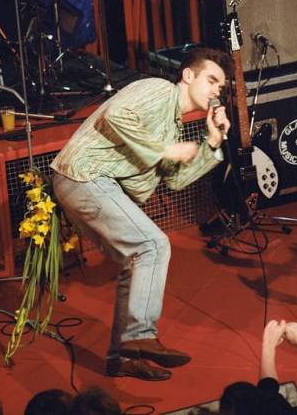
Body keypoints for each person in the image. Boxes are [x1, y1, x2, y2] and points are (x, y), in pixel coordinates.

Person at [51, 47, 233, 380]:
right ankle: (140, 335)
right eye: (211, 79)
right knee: (153, 246)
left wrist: (213, 139)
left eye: (220, 86)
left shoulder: (174, 126)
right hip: (84, 174)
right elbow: (115, 116)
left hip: (90, 183)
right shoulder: (159, 90)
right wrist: (165, 149)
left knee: (133, 262)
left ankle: (121, 358)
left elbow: (176, 181)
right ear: (188, 75)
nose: (216, 90)